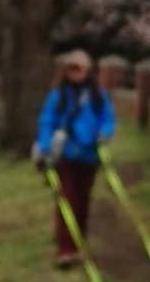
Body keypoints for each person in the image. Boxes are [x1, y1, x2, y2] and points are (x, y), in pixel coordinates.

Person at [36, 49, 116, 269]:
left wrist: (104, 133)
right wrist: (44, 147)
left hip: (89, 155)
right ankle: (65, 248)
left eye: (79, 68)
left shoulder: (99, 95)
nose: (75, 72)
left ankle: (78, 242)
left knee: (82, 200)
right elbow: (47, 121)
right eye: (71, 68)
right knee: (66, 200)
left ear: (88, 71)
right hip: (65, 155)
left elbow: (108, 120)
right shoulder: (58, 95)